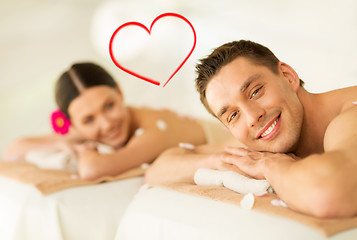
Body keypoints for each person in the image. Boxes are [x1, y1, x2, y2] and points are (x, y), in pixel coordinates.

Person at [145, 40, 357, 218]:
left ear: (288, 76)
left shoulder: (348, 116)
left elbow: (329, 193)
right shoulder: (258, 139)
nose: (252, 118)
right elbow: (157, 172)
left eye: (255, 92)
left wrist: (271, 166)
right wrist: (225, 162)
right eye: (233, 115)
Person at [2, 62, 208, 180]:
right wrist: (60, 141)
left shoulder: (153, 130)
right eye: (89, 120)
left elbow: (93, 169)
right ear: (73, 124)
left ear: (119, 92)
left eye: (109, 106)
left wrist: (84, 151)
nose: (106, 124)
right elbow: (13, 149)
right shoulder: (92, 128)